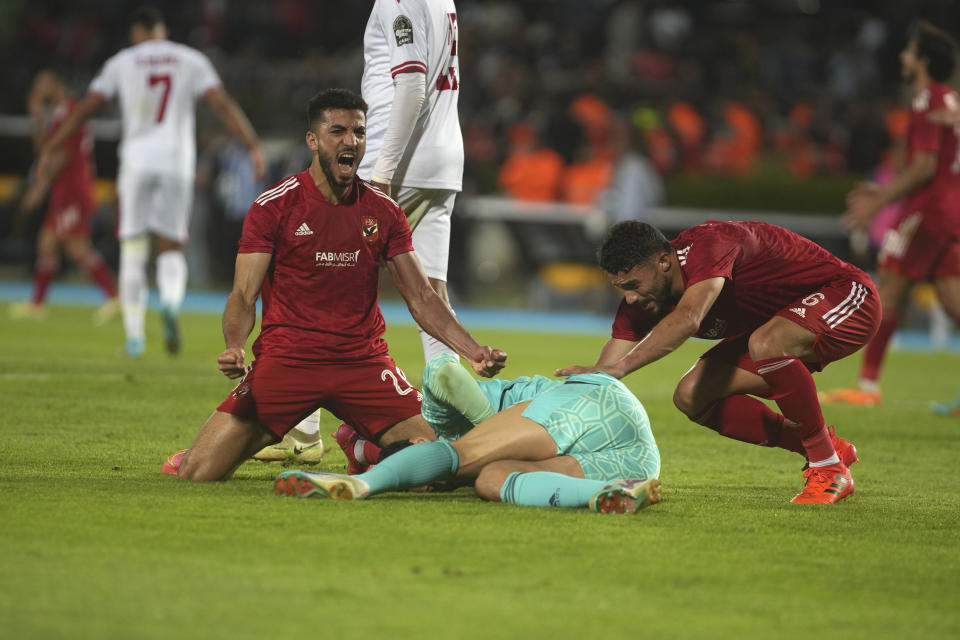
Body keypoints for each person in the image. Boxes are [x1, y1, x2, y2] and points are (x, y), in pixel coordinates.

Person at [171, 88, 506, 482]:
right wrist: (234, 346)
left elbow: (421, 296)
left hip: (363, 365)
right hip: (288, 363)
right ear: (313, 140)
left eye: (359, 132)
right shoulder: (273, 207)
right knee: (197, 474)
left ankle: (360, 446)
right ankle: (328, 442)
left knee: (447, 467)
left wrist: (472, 351)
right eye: (338, 131)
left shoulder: (384, 212)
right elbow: (243, 295)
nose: (351, 141)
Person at [555, 220, 878, 505]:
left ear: (664, 261)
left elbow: (688, 318)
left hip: (847, 296)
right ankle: (826, 448)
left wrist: (622, 368)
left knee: (767, 343)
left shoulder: (710, 245)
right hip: (780, 328)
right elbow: (604, 373)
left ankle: (828, 469)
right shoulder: (646, 298)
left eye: (633, 286)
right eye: (621, 289)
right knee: (691, 394)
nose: (630, 299)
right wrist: (561, 430)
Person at [38, 6, 266, 358]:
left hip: (137, 161)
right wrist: (252, 145)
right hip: (176, 162)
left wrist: (51, 147)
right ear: (163, 30)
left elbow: (87, 107)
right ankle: (171, 304)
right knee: (171, 246)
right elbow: (221, 104)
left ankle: (134, 337)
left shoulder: (123, 61)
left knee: (132, 247)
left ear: (136, 33)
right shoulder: (190, 59)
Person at [275, 352, 662, 515]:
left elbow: (442, 370)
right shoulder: (483, 465)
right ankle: (609, 494)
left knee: (461, 456)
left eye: (418, 480)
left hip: (593, 401)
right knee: (492, 481)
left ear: (418, 446)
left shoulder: (444, 423)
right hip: (638, 461)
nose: (427, 485)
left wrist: (479, 428)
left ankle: (363, 487)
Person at [821, 21, 960, 407]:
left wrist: (881, 198)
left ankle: (866, 388)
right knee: (953, 301)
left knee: (889, 295)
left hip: (926, 211)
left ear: (923, 60)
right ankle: (867, 386)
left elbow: (926, 167)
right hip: (948, 211)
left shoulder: (927, 100)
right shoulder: (950, 100)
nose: (902, 57)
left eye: (909, 52)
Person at [359, 0, 463, 366]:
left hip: (399, 160)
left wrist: (382, 173)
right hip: (444, 160)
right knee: (433, 296)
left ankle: (306, 417)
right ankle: (447, 414)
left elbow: (411, 84)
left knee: (331, 279)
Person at [10, 69, 118, 323]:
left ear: (55, 83)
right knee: (46, 244)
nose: (37, 88)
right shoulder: (60, 112)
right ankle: (37, 304)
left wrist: (39, 188)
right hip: (63, 190)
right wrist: (36, 117)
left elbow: (64, 156)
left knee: (77, 248)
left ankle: (113, 297)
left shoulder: (71, 111)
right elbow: (45, 152)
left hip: (73, 190)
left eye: (41, 83)